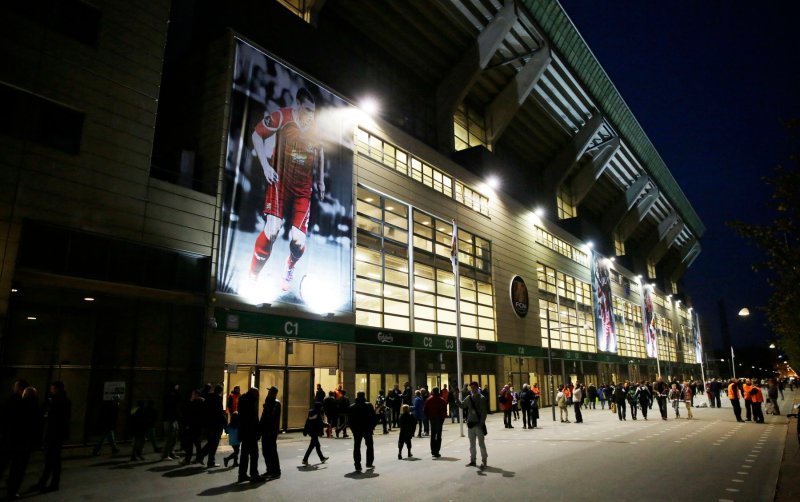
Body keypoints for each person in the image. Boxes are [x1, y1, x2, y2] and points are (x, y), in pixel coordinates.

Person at [248, 87, 325, 292]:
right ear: (298, 105)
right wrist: (265, 166)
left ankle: (289, 267)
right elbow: (256, 135)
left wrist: (320, 180)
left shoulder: (315, 128)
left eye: (313, 111)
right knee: (272, 230)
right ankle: (253, 274)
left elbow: (321, 151)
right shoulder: (282, 116)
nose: (311, 115)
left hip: (303, 189)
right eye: (308, 110)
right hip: (280, 182)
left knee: (298, 243)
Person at [5, 385, 40, 500]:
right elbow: (37, 428)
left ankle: (9, 484)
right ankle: (13, 490)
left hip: (13, 439)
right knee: (19, 468)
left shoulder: (17, 404)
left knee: (7, 463)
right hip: (26, 442)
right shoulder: (36, 408)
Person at [37, 381, 71, 493]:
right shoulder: (66, 401)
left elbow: (49, 414)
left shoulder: (54, 401)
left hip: (53, 433)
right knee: (54, 459)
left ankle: (49, 482)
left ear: (56, 389)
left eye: (52, 388)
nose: (51, 390)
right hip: (60, 433)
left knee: (52, 459)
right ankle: (48, 481)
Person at [237, 387, 262, 483]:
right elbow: (254, 418)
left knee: (244, 454)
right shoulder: (251, 401)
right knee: (254, 454)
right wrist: (258, 431)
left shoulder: (242, 399)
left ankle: (242, 474)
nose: (258, 396)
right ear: (254, 394)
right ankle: (254, 474)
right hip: (251, 433)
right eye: (257, 394)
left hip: (243, 432)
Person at [461, 381, 488, 469]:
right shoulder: (469, 397)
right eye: (471, 388)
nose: (473, 389)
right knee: (472, 444)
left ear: (477, 388)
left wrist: (481, 423)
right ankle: (473, 460)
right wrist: (456, 398)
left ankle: (484, 461)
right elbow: (462, 405)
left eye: (474, 387)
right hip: (471, 424)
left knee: (481, 443)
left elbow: (484, 413)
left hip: (478, 424)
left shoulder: (482, 398)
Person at [349, 391, 376, 471]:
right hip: (367, 429)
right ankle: (369, 462)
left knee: (357, 446)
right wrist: (372, 427)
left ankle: (357, 465)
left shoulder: (352, 407)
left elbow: (350, 421)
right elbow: (373, 418)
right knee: (369, 446)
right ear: (364, 396)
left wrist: (353, 429)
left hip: (357, 430)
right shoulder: (369, 405)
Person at [260, 386, 281, 479]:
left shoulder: (276, 403)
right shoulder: (268, 402)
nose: (268, 393)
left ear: (273, 393)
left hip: (271, 431)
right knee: (265, 451)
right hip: (265, 430)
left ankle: (276, 471)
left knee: (272, 451)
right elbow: (264, 416)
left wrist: (266, 405)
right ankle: (269, 470)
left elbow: (270, 416)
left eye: (270, 392)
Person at [423, 387, 447, 458]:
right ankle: (437, 450)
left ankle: (433, 450)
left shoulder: (429, 400)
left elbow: (425, 410)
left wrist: (428, 417)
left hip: (432, 419)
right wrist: (442, 418)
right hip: (439, 419)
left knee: (433, 434)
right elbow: (444, 410)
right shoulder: (442, 400)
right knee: (439, 435)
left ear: (433, 392)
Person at [161, 383, 180, 461]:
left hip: (173, 418)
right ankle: (165, 454)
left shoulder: (173, 395)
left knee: (174, 438)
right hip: (169, 419)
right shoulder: (169, 396)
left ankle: (171, 452)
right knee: (169, 438)